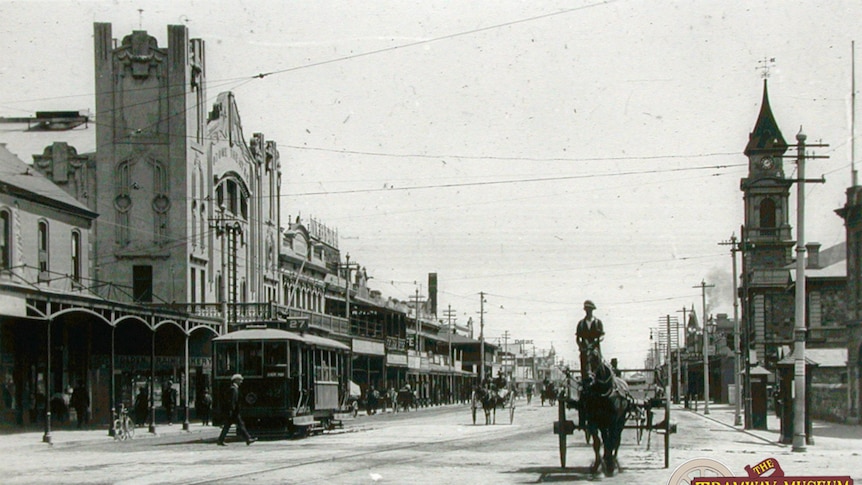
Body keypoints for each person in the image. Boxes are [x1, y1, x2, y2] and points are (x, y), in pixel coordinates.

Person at [217, 374, 256, 446]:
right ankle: (248, 439)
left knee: (232, 426)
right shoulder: (233, 389)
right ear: (236, 380)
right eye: (240, 380)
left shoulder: (234, 388)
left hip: (233, 412)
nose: (241, 382)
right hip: (234, 412)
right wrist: (232, 410)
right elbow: (232, 401)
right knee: (240, 425)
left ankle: (221, 440)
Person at [576, 299, 605, 382]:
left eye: (590, 309)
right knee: (583, 359)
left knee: (597, 360)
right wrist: (581, 346)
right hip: (585, 348)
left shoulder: (597, 322)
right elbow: (578, 338)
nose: (588, 311)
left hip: (595, 347)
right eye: (586, 309)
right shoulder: (581, 323)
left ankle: (600, 379)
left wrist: (596, 341)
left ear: (593, 310)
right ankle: (584, 379)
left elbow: (602, 335)